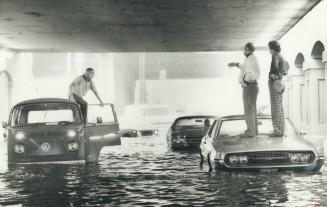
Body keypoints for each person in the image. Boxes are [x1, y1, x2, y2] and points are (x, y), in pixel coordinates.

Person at [228, 42, 260, 138]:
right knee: (252, 109)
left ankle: (250, 131)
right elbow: (246, 68)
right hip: (253, 86)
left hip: (249, 87)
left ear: (249, 49)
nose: (244, 51)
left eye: (245, 49)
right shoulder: (251, 58)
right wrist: (237, 64)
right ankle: (254, 131)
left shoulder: (251, 59)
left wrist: (244, 82)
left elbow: (249, 73)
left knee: (248, 110)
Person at [268, 40, 287, 137]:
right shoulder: (281, 56)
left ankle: (278, 131)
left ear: (272, 48)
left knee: (275, 108)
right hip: (281, 83)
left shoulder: (275, 55)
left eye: (269, 48)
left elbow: (275, 67)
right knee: (279, 107)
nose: (269, 51)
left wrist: (273, 76)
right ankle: (280, 129)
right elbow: (285, 70)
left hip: (275, 83)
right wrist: (280, 75)